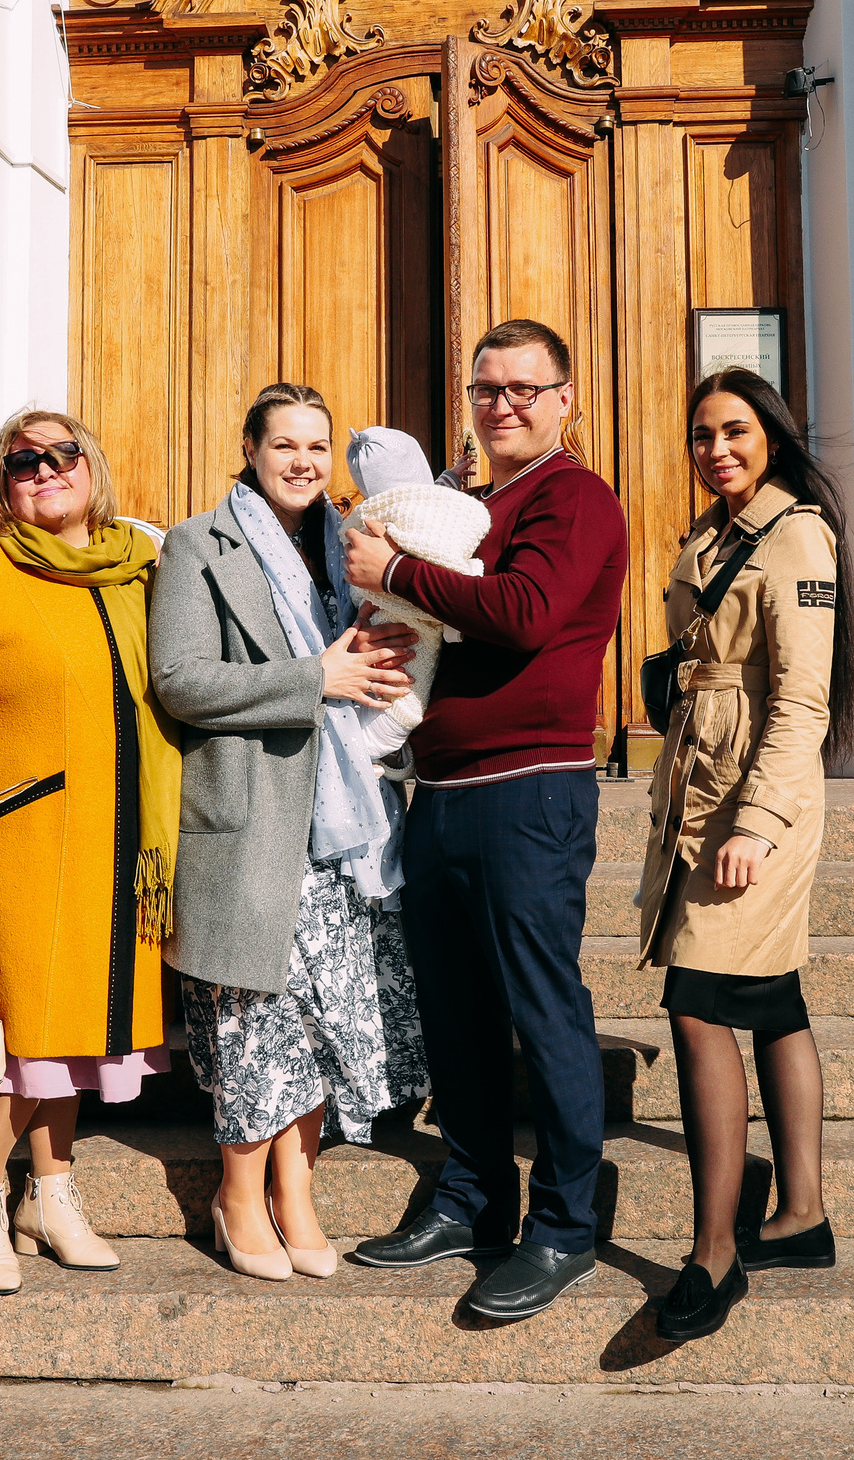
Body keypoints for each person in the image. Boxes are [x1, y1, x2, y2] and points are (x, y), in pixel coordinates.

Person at [340, 317, 629, 1321]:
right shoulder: (466, 504)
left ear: (564, 401)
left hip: (530, 791)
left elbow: (524, 611)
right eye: (484, 389)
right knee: (455, 1015)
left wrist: (397, 575)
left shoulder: (573, 496)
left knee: (541, 1012)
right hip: (442, 792)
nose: (500, 404)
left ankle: (562, 1228)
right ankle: (470, 1197)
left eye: (521, 388)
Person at [151, 384, 430, 1282]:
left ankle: (297, 1193)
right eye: (285, 445)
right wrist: (315, 676)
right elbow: (181, 679)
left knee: (319, 1026)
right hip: (252, 818)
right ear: (251, 448)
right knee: (251, 1026)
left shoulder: (357, 544)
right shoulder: (201, 545)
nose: (305, 462)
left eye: (318, 445)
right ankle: (240, 1198)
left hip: (351, 823)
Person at [0, 410, 182, 1293]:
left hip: (119, 845)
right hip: (18, 838)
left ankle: (50, 1194)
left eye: (64, 455)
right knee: (19, 1037)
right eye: (25, 461)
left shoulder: (138, 571)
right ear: (3, 483)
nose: (47, 470)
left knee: (70, 1038)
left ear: (93, 467)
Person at [639, 367, 854, 1341]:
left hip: (753, 800)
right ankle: (801, 1213)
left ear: (769, 434)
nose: (716, 448)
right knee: (769, 1000)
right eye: (700, 435)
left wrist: (758, 825)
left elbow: (803, 700)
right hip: (703, 787)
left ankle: (714, 1254)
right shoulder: (713, 536)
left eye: (734, 430)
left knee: (698, 1003)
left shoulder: (794, 536)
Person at [340, 426, 489, 759]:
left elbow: (421, 499)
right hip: (409, 636)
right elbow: (430, 515)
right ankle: (366, 761)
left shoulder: (377, 517)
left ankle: (364, 760)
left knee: (383, 705)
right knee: (400, 700)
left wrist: (450, 476)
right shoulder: (430, 512)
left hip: (385, 630)